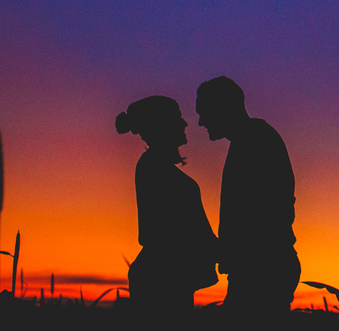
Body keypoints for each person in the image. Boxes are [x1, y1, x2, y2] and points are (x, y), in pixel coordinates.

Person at [195, 76, 299, 313]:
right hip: (261, 267)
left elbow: (265, 212)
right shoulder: (250, 139)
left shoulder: (256, 141)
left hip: (263, 270)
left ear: (223, 107)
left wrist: (234, 251)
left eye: (204, 112)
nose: (200, 122)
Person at [116, 95, 218, 314]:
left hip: (167, 276)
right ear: (161, 125)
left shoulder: (155, 166)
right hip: (163, 279)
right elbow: (167, 231)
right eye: (177, 118)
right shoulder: (153, 167)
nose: (184, 123)